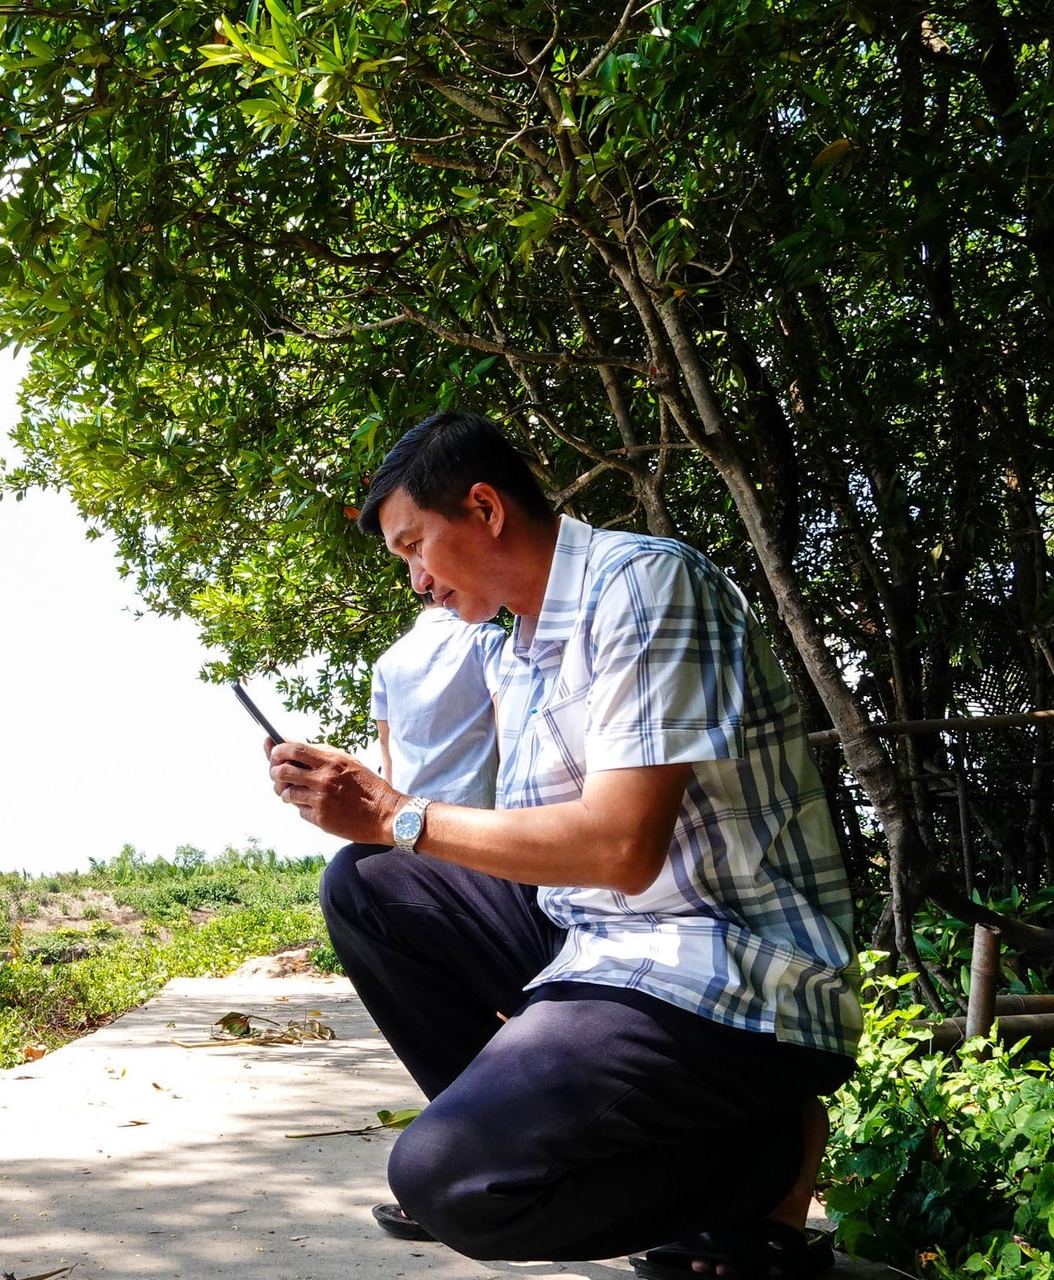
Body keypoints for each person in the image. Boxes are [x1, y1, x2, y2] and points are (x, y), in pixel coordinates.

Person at [267, 412, 862, 1280]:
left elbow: (622, 845)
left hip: (726, 976)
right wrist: (384, 827)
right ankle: (557, 1140)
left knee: (450, 1184)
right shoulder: (513, 652)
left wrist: (400, 810)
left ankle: (763, 1154)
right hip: (599, 945)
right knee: (370, 882)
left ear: (483, 507)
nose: (416, 581)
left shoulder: (646, 584)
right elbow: (541, 853)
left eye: (415, 547)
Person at [371, 597, 499, 806]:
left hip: (410, 820)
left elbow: (385, 746)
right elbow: (507, 725)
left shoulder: (386, 662)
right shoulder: (486, 638)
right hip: (480, 816)